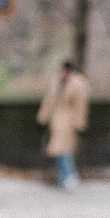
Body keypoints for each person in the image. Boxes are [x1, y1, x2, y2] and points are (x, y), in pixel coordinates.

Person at [38, 59, 90, 190]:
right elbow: (49, 100)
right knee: (57, 149)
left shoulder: (77, 83)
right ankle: (65, 176)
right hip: (56, 119)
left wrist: (79, 121)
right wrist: (43, 115)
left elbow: (80, 105)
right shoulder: (57, 82)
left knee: (63, 149)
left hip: (68, 120)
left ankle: (69, 175)